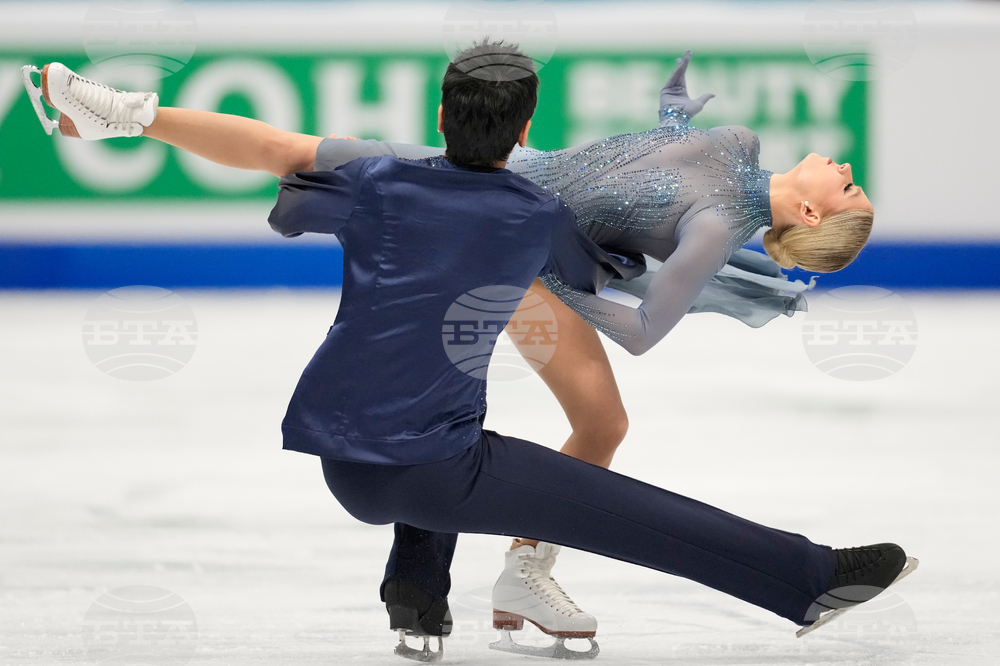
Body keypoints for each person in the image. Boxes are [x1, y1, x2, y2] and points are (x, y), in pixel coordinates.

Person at [23, 46, 906, 661]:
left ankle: (514, 573)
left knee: (594, 420)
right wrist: (673, 111)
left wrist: (574, 275)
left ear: (812, 218)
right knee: (496, 407)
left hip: (533, 244)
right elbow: (659, 158)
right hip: (515, 209)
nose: (849, 167)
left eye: (851, 186)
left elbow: (644, 321)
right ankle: (119, 113)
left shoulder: (717, 228)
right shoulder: (739, 148)